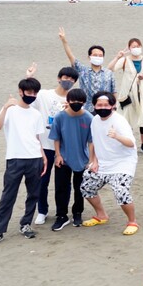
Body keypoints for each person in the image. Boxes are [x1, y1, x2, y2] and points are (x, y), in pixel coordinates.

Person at [0, 77, 48, 249]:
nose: (32, 95)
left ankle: (26, 224)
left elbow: (36, 137)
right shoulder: (10, 110)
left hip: (34, 158)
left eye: (35, 93)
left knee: (33, 194)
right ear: (21, 92)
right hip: (15, 158)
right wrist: (6, 106)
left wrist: (43, 155)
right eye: (29, 92)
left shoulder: (35, 114)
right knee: (8, 195)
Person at [80, 92, 140, 235]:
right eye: (99, 105)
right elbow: (94, 142)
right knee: (86, 187)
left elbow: (131, 143)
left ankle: (132, 221)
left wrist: (117, 136)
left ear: (112, 106)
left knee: (121, 191)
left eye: (106, 105)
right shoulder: (94, 120)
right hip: (103, 162)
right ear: (94, 106)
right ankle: (101, 215)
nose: (103, 107)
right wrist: (93, 161)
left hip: (123, 163)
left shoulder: (119, 121)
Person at [26, 64, 78, 226]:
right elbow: (29, 96)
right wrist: (29, 77)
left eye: (72, 79)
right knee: (42, 180)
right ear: (58, 78)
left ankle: (62, 212)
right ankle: (42, 210)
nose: (68, 81)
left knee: (63, 183)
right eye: (65, 78)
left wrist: (72, 109)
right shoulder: (44, 95)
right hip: (45, 145)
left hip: (64, 147)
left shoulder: (74, 100)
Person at [49, 88, 92, 229]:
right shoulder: (60, 117)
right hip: (64, 158)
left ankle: (77, 213)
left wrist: (91, 160)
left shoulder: (88, 118)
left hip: (82, 159)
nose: (76, 103)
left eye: (79, 101)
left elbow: (92, 141)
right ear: (67, 101)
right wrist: (58, 155)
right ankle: (61, 215)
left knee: (80, 188)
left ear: (84, 102)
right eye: (73, 101)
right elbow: (56, 138)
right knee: (61, 188)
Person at [110, 38, 143, 155]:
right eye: (133, 46)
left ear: (141, 46)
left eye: (137, 46)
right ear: (129, 48)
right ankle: (129, 142)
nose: (135, 48)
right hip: (128, 94)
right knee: (127, 118)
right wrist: (118, 57)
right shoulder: (125, 60)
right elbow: (110, 69)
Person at [58, 27, 116, 112]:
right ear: (89, 57)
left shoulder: (109, 73)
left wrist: (114, 107)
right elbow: (71, 57)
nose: (98, 57)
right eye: (95, 55)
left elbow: (114, 91)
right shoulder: (83, 71)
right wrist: (64, 41)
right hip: (86, 109)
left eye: (100, 55)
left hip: (105, 108)